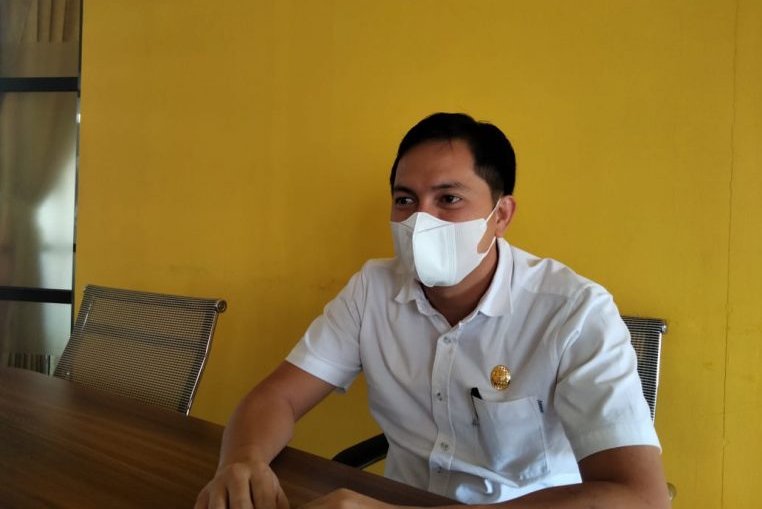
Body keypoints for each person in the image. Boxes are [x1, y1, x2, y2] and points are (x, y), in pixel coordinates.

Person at [195, 113, 670, 509]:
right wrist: (242, 460)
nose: (420, 220)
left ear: (501, 215)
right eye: (405, 200)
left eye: (449, 199)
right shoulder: (372, 290)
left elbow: (641, 496)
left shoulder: (574, 311)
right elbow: (277, 398)